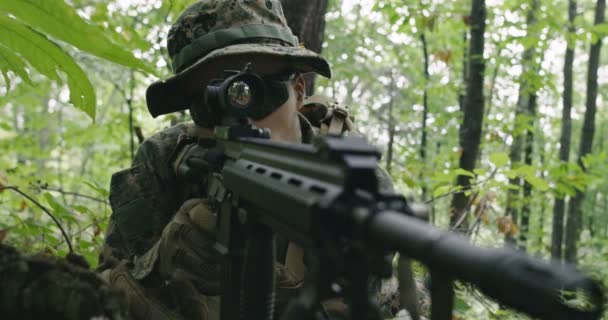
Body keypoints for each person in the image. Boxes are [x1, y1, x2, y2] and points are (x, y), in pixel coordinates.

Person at [98, 1, 421, 319]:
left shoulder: (347, 179)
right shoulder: (165, 159)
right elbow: (102, 296)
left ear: (297, 91)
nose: (240, 117)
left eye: (257, 91)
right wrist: (162, 267)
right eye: (211, 100)